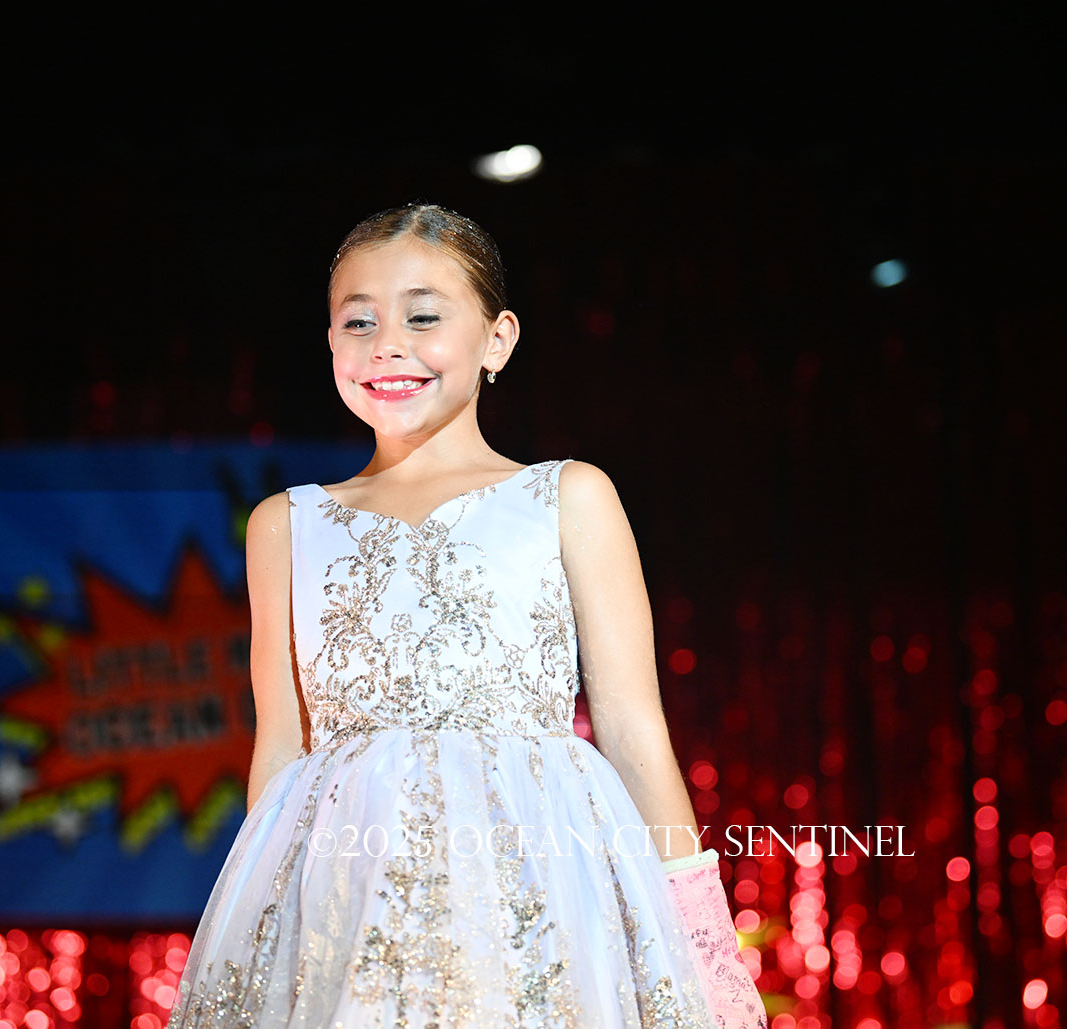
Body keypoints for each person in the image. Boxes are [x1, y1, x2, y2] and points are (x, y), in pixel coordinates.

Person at [167, 204, 767, 1027]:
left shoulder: (567, 496)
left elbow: (632, 730)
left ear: (497, 339)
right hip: (351, 894)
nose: (388, 344)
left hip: (535, 885)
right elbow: (281, 747)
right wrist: (265, 933)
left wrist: (700, 945)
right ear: (330, 341)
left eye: (423, 317)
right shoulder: (287, 523)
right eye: (359, 321)